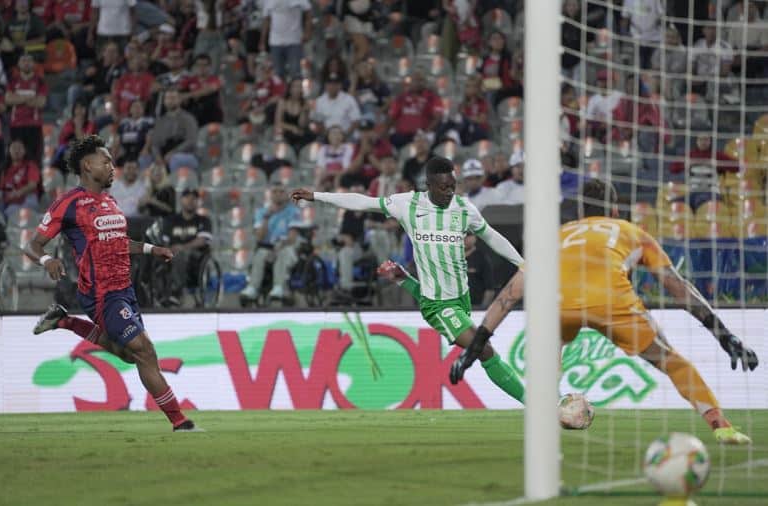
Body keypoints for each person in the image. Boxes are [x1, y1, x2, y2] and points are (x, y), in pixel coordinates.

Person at [449, 179, 757, 444]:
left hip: (558, 304)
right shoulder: (629, 230)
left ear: (580, 212)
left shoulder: (558, 235)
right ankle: (721, 427)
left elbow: (510, 293)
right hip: (612, 302)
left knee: (551, 346)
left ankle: (549, 413)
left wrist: (477, 343)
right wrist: (724, 335)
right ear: (614, 210)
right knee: (670, 361)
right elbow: (677, 287)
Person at [291, 156, 526, 404]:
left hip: (461, 299)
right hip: (438, 306)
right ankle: (539, 405)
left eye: (452, 187)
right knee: (484, 350)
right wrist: (317, 196)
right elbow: (362, 202)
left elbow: (491, 236)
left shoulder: (464, 208)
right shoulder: (407, 204)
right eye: (443, 188)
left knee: (482, 350)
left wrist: (522, 264)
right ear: (429, 185)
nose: (449, 193)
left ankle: (405, 280)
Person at [26, 135, 200, 431]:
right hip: (100, 292)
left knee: (129, 356)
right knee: (145, 350)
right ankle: (180, 421)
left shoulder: (110, 201)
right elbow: (33, 245)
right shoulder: (68, 204)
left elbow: (119, 241)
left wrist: (151, 249)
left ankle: (65, 322)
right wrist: (47, 261)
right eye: (106, 161)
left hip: (125, 288)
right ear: (87, 165)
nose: (112, 167)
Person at [240, 182, 303, 303]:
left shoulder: (293, 212)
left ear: (286, 195)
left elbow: (292, 238)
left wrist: (278, 247)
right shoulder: (262, 212)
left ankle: (278, 286)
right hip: (268, 247)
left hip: (288, 247)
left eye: (281, 192)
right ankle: (253, 287)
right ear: (270, 195)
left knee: (283, 252)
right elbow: (259, 237)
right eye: (275, 192)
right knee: (260, 254)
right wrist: (266, 218)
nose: (278, 194)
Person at [161, 189, 212, 306]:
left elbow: (203, 240)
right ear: (181, 200)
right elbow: (164, 241)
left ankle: (177, 292)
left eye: (193, 199)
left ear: (197, 202)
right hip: (172, 254)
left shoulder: (204, 220)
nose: (190, 201)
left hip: (196, 257)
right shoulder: (171, 220)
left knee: (181, 255)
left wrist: (183, 247)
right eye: (187, 198)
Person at [5, 53, 47, 162]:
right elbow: (8, 100)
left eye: (29, 60)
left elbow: (41, 102)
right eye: (23, 60)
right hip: (16, 125)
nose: (26, 63)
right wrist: (30, 97)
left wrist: (18, 97)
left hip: (34, 125)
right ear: (18, 64)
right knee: (16, 160)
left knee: (35, 159)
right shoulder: (13, 80)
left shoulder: (40, 81)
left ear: (33, 63)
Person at [149, 87, 199, 172]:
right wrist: (158, 158)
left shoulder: (188, 118)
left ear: (179, 100)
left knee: (175, 158)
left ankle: (174, 183)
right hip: (165, 153)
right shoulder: (161, 121)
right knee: (145, 160)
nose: (170, 101)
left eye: (173, 98)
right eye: (168, 98)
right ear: (164, 101)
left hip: (186, 154)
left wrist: (174, 153)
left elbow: (191, 140)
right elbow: (155, 144)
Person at [259, 0, 312, 80]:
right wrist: (262, 40)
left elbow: (308, 14)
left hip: (294, 41)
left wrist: (307, 32)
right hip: (275, 42)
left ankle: (296, 92)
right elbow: (266, 20)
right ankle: (280, 92)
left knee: (295, 73)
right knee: (277, 74)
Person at [0, 139, 41, 220]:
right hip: (7, 199)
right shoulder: (4, 168)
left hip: (27, 198)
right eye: (14, 148)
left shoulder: (31, 165)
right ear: (8, 150)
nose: (16, 151)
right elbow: (1, 190)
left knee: (11, 211)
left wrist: (17, 193)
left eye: (19, 148)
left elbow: (32, 185)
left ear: (24, 151)